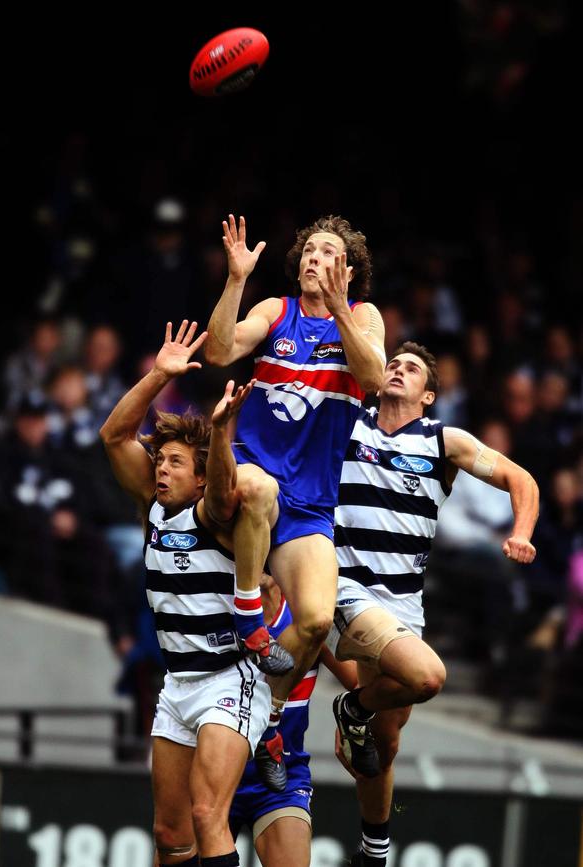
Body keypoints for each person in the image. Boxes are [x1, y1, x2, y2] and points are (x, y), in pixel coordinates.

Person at [327, 341, 539, 867]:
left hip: (405, 603)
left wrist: (522, 533)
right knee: (428, 678)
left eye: (412, 368)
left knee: (385, 742)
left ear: (428, 395)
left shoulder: (444, 440)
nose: (398, 369)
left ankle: (373, 848)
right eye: (393, 363)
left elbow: (522, 479)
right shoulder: (350, 420)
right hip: (348, 586)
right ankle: (348, 705)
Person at [205, 214, 386, 787]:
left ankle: (268, 721)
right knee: (257, 485)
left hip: (312, 505)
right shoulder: (274, 310)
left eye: (327, 252)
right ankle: (247, 614)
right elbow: (218, 351)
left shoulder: (362, 317)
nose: (313, 258)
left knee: (312, 622)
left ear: (347, 271)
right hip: (255, 481)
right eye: (308, 250)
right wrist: (235, 281)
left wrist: (339, 310)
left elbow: (374, 376)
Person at [100, 320, 276, 867]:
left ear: (199, 480)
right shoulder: (152, 507)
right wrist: (158, 375)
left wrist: (220, 436)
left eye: (175, 462)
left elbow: (227, 489)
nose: (161, 469)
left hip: (228, 678)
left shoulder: (213, 512)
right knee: (170, 834)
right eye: (160, 460)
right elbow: (112, 436)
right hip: (179, 684)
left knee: (207, 816)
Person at [230, 573, 359, 867]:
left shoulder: (308, 616)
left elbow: (359, 683)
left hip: (282, 776)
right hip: (213, 771)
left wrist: (355, 716)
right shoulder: (214, 605)